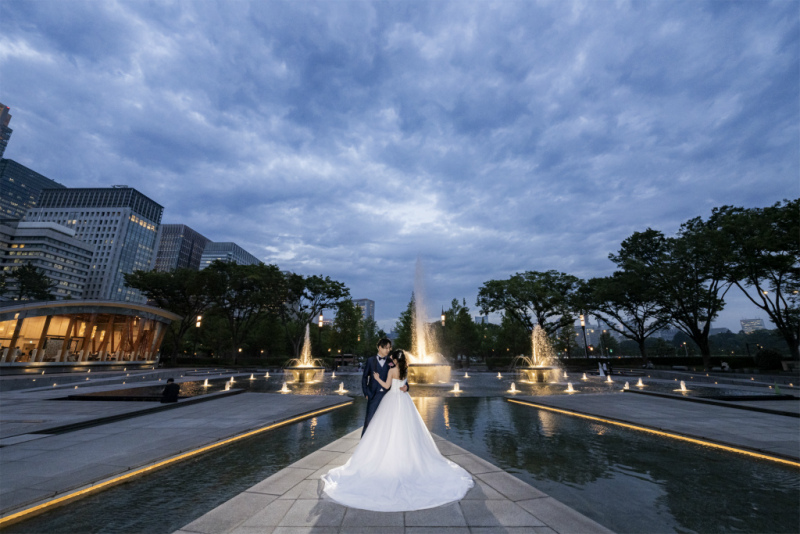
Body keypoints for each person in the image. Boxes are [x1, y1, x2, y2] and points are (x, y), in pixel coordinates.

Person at [322, 349, 474, 511]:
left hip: (392, 400)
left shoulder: (392, 370)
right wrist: (405, 387)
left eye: (392, 357)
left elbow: (387, 386)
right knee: (408, 431)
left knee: (385, 429)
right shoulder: (404, 370)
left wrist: (378, 378)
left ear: (394, 359)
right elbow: (404, 385)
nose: (390, 359)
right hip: (404, 401)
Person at [360, 338, 407, 436]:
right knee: (369, 421)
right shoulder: (370, 361)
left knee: (386, 423)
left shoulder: (391, 361)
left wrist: (406, 386)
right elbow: (364, 378)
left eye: (389, 348)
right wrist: (366, 393)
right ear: (379, 348)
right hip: (373, 395)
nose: (388, 350)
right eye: (386, 348)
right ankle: (363, 445)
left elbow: (400, 375)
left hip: (388, 397)